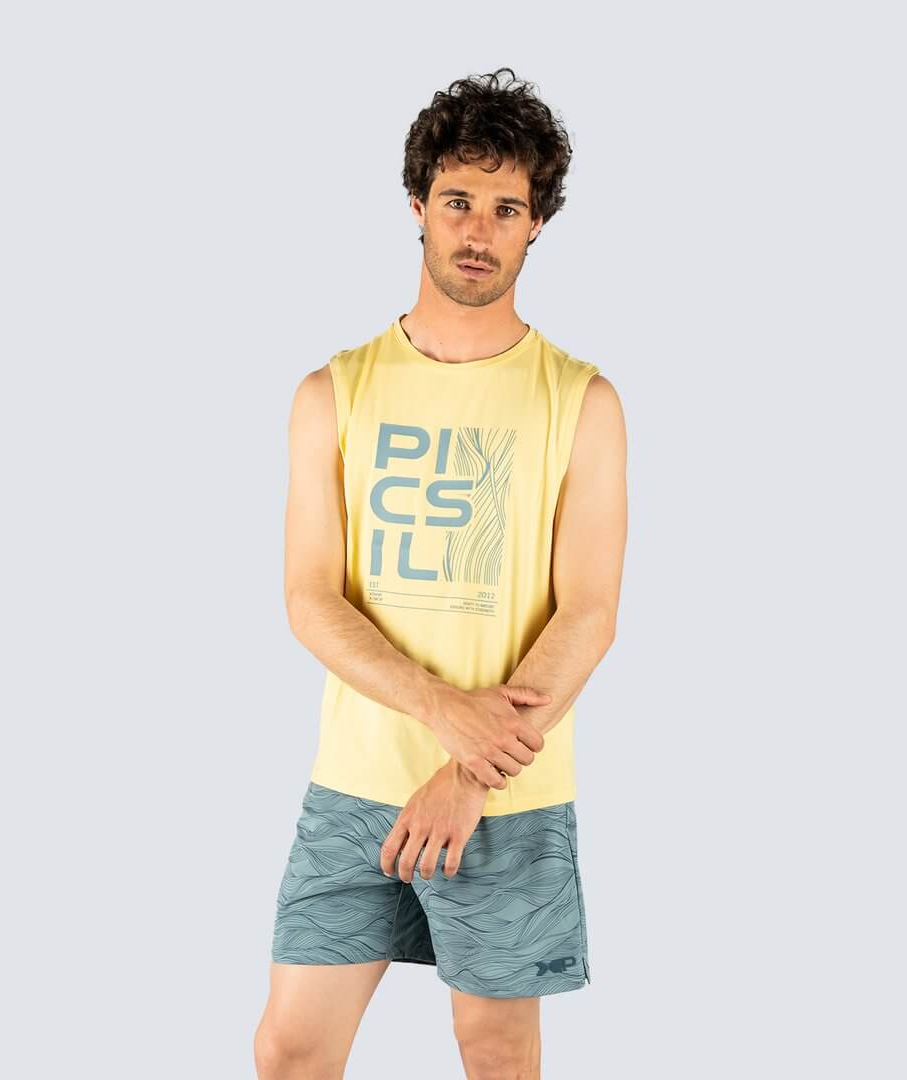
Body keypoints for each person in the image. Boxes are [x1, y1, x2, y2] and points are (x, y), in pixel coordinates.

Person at [254, 67, 627, 1080]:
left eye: (507, 208)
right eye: (459, 199)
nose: (478, 229)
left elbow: (589, 613)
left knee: (494, 1048)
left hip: (509, 793)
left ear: (537, 224)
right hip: (356, 783)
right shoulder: (332, 392)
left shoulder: (582, 401)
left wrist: (468, 771)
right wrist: (440, 712)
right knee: (291, 1049)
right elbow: (309, 597)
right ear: (417, 205)